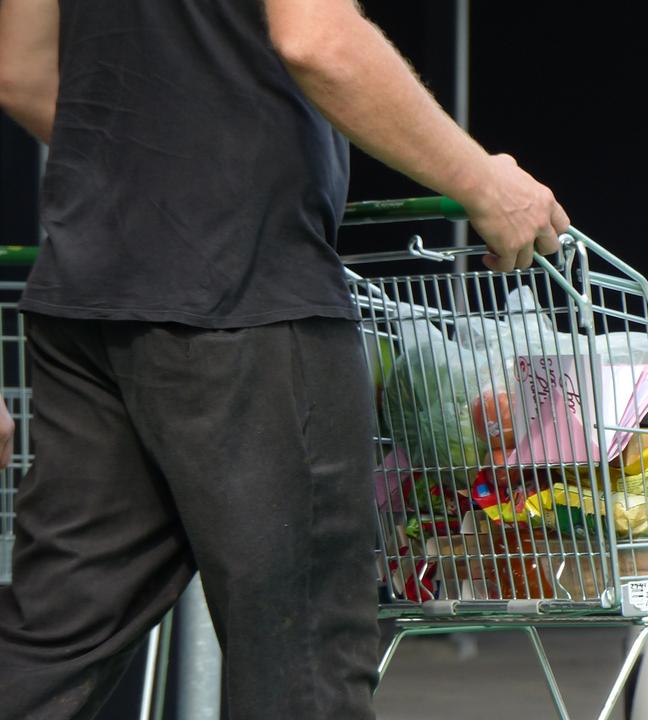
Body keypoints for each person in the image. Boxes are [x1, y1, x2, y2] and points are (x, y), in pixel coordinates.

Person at [0, 0, 568, 717]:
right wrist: (484, 183)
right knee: (306, 670)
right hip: (244, 293)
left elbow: (18, 71)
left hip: (90, 289)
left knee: (53, 641)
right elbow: (319, 39)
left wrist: (153, 169)